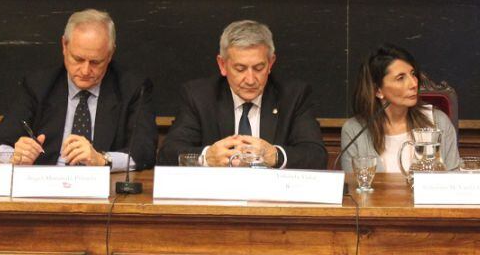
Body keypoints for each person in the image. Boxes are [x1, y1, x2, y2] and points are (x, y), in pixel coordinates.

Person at [0, 9, 156, 171]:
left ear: (110, 54)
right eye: (78, 59)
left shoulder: (132, 88)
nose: (85, 70)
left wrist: (103, 160)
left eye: (96, 62)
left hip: (104, 191)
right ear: (64, 46)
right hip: (44, 185)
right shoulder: (39, 85)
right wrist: (13, 157)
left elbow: (145, 151)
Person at [160, 20, 326, 169]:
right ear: (222, 65)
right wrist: (207, 157)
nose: (250, 79)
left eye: (259, 68)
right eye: (240, 69)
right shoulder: (199, 96)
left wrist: (276, 156)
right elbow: (167, 155)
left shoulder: (293, 96)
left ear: (271, 63)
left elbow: (316, 156)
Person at [339, 44, 460, 174]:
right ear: (378, 90)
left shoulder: (438, 122)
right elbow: (354, 185)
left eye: (413, 74)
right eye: (400, 78)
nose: (414, 84)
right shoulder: (354, 130)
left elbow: (454, 177)